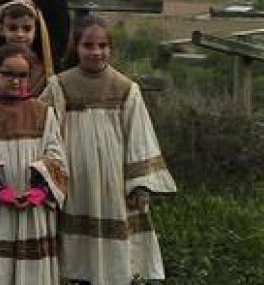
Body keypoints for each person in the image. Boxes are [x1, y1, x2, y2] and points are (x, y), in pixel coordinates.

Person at [42, 15, 175, 285]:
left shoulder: (126, 88)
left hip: (114, 181)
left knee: (115, 243)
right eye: (88, 45)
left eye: (102, 46)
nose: (95, 52)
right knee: (76, 247)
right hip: (74, 179)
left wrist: (141, 185)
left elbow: (140, 136)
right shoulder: (59, 85)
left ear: (110, 48)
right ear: (76, 47)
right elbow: (43, 130)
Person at [0, 44, 68, 285]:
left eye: (22, 75)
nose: (15, 81)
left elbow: (56, 156)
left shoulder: (43, 113)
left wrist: (39, 191)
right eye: (8, 74)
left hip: (33, 207)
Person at [0, 0, 55, 99]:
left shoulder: (46, 67)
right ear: (1, 30)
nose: (20, 34)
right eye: (13, 28)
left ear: (36, 31)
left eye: (27, 29)